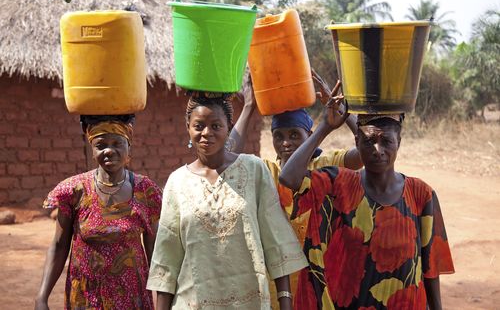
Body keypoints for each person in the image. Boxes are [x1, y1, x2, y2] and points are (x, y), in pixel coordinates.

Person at [279, 95, 455, 309]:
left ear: (398, 142)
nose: (378, 150)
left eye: (387, 141)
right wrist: (325, 126)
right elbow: (288, 177)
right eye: (369, 141)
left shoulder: (421, 194)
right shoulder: (340, 184)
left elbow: (431, 269)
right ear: (357, 142)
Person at [146, 92, 308, 309]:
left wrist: (285, 302)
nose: (206, 133)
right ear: (188, 128)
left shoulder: (253, 169)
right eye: (199, 125)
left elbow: (276, 242)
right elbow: (166, 260)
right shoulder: (177, 182)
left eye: (215, 126)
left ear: (229, 127)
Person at [229, 72, 363, 308]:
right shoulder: (266, 171)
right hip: (278, 283)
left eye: (294, 135)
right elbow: (227, 157)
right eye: (278, 136)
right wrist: (249, 106)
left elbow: (364, 153)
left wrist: (343, 114)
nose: (286, 143)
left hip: (322, 278)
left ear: (309, 136)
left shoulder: (325, 166)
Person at [35, 115, 162, 310]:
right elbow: (59, 246)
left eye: (117, 143)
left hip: (131, 299)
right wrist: (41, 297)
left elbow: (155, 251)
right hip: (86, 299)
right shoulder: (73, 190)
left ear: (129, 147)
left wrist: (164, 301)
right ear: (92, 150)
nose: (109, 151)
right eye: (101, 145)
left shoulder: (146, 190)